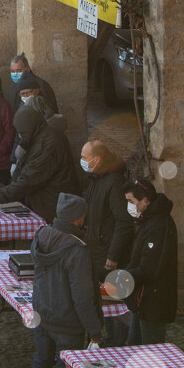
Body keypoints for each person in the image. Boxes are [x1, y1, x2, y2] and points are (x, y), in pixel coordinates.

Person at [25, 193, 104, 368]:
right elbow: (82, 298)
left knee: (40, 364)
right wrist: (95, 330)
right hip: (67, 323)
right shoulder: (77, 252)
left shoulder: (41, 236)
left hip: (43, 315)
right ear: (79, 219)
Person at [80, 139, 135, 345]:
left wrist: (114, 255)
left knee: (115, 302)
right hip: (97, 249)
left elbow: (124, 222)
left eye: (85, 158)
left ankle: (117, 343)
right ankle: (109, 339)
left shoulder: (112, 182)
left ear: (98, 160)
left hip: (108, 253)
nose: (82, 161)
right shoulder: (96, 177)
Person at [0, 104, 81, 223]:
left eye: (22, 132)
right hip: (46, 200)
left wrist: (1, 196)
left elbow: (31, 177)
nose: (20, 135)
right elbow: (24, 172)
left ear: (29, 127)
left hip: (54, 203)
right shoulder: (37, 137)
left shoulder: (48, 143)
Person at [124, 178, 178, 346]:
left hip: (153, 301)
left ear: (145, 201)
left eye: (131, 201)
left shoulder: (158, 225)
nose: (129, 206)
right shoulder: (148, 220)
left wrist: (121, 277)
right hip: (143, 301)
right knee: (134, 347)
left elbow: (149, 269)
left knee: (149, 351)